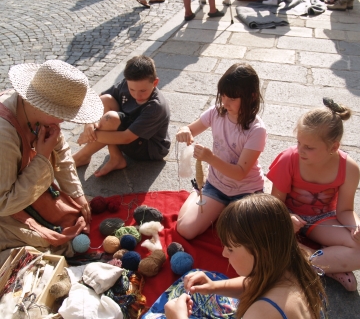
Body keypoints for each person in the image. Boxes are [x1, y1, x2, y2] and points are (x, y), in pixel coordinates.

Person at [0, 60, 104, 267]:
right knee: (40, 249)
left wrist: (77, 193)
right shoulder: (4, 136)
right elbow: (4, 203)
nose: (64, 122)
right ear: (40, 103)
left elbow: (61, 150)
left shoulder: (34, 112)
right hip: (6, 204)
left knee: (73, 217)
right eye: (61, 114)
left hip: (22, 188)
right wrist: (41, 157)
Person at [164, 194, 327, 319]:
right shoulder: (292, 265)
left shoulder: (262, 312)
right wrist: (214, 286)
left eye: (231, 248)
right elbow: (256, 284)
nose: (224, 253)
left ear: (262, 253)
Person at [267, 98, 360, 291]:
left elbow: (345, 210)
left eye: (309, 147)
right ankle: (327, 264)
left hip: (321, 219)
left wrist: (356, 226)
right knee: (265, 234)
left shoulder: (349, 168)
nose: (300, 150)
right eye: (299, 142)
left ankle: (305, 260)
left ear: (334, 147)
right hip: (286, 218)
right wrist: (287, 218)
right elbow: (275, 204)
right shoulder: (289, 159)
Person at [176, 63, 267, 240]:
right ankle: (199, 194)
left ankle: (222, 210)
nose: (225, 102)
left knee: (242, 238)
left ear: (252, 96)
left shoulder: (257, 130)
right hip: (217, 185)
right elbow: (190, 129)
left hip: (246, 190)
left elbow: (240, 173)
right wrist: (184, 131)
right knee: (185, 229)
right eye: (223, 95)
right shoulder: (216, 113)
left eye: (232, 98)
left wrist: (210, 158)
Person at [73, 55, 170, 177]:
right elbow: (98, 100)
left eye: (143, 91)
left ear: (155, 82)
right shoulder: (126, 83)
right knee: (105, 100)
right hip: (130, 129)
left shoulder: (156, 106)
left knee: (110, 119)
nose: (137, 95)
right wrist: (89, 123)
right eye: (132, 89)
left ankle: (82, 156)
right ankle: (116, 157)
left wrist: (91, 136)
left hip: (148, 148)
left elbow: (126, 138)